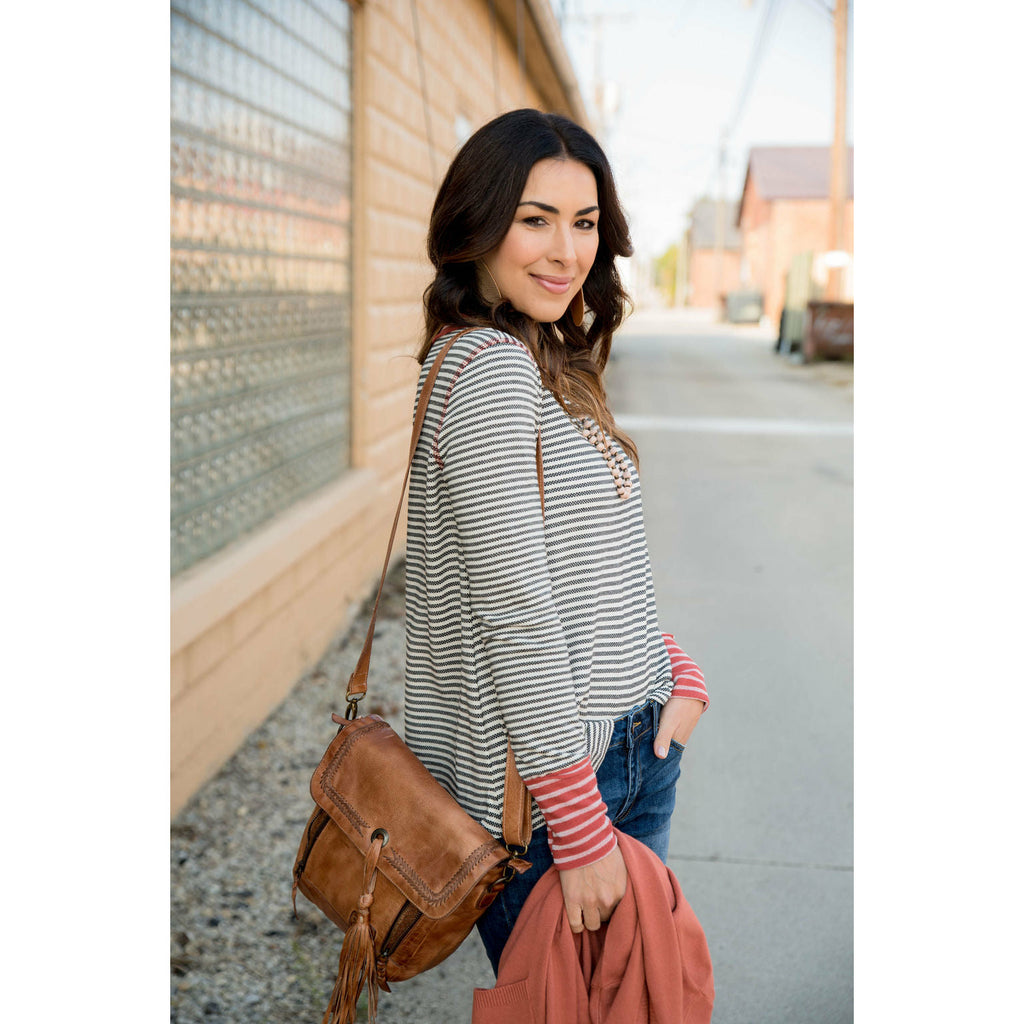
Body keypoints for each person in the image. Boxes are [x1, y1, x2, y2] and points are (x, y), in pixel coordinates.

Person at [403, 108, 709, 976]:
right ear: (477, 223)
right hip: (564, 785)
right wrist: (577, 829)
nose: (566, 252)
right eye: (534, 219)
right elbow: (517, 613)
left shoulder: (534, 354)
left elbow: (581, 569)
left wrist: (668, 664)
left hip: (625, 742)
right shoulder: (493, 371)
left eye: (584, 225)